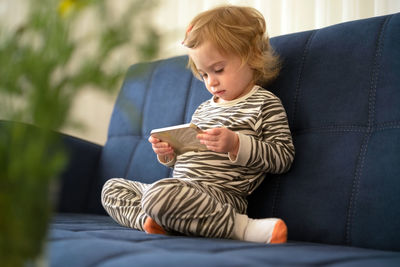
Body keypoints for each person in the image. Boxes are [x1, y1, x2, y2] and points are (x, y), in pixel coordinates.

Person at [101, 5, 295, 244]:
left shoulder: (264, 103)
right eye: (204, 75)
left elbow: (283, 157)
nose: (211, 82)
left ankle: (241, 227)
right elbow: (188, 156)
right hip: (180, 188)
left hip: (219, 196)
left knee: (159, 194)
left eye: (219, 70)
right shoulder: (204, 108)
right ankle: (151, 222)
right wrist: (169, 154)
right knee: (112, 188)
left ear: (252, 55)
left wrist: (236, 144)